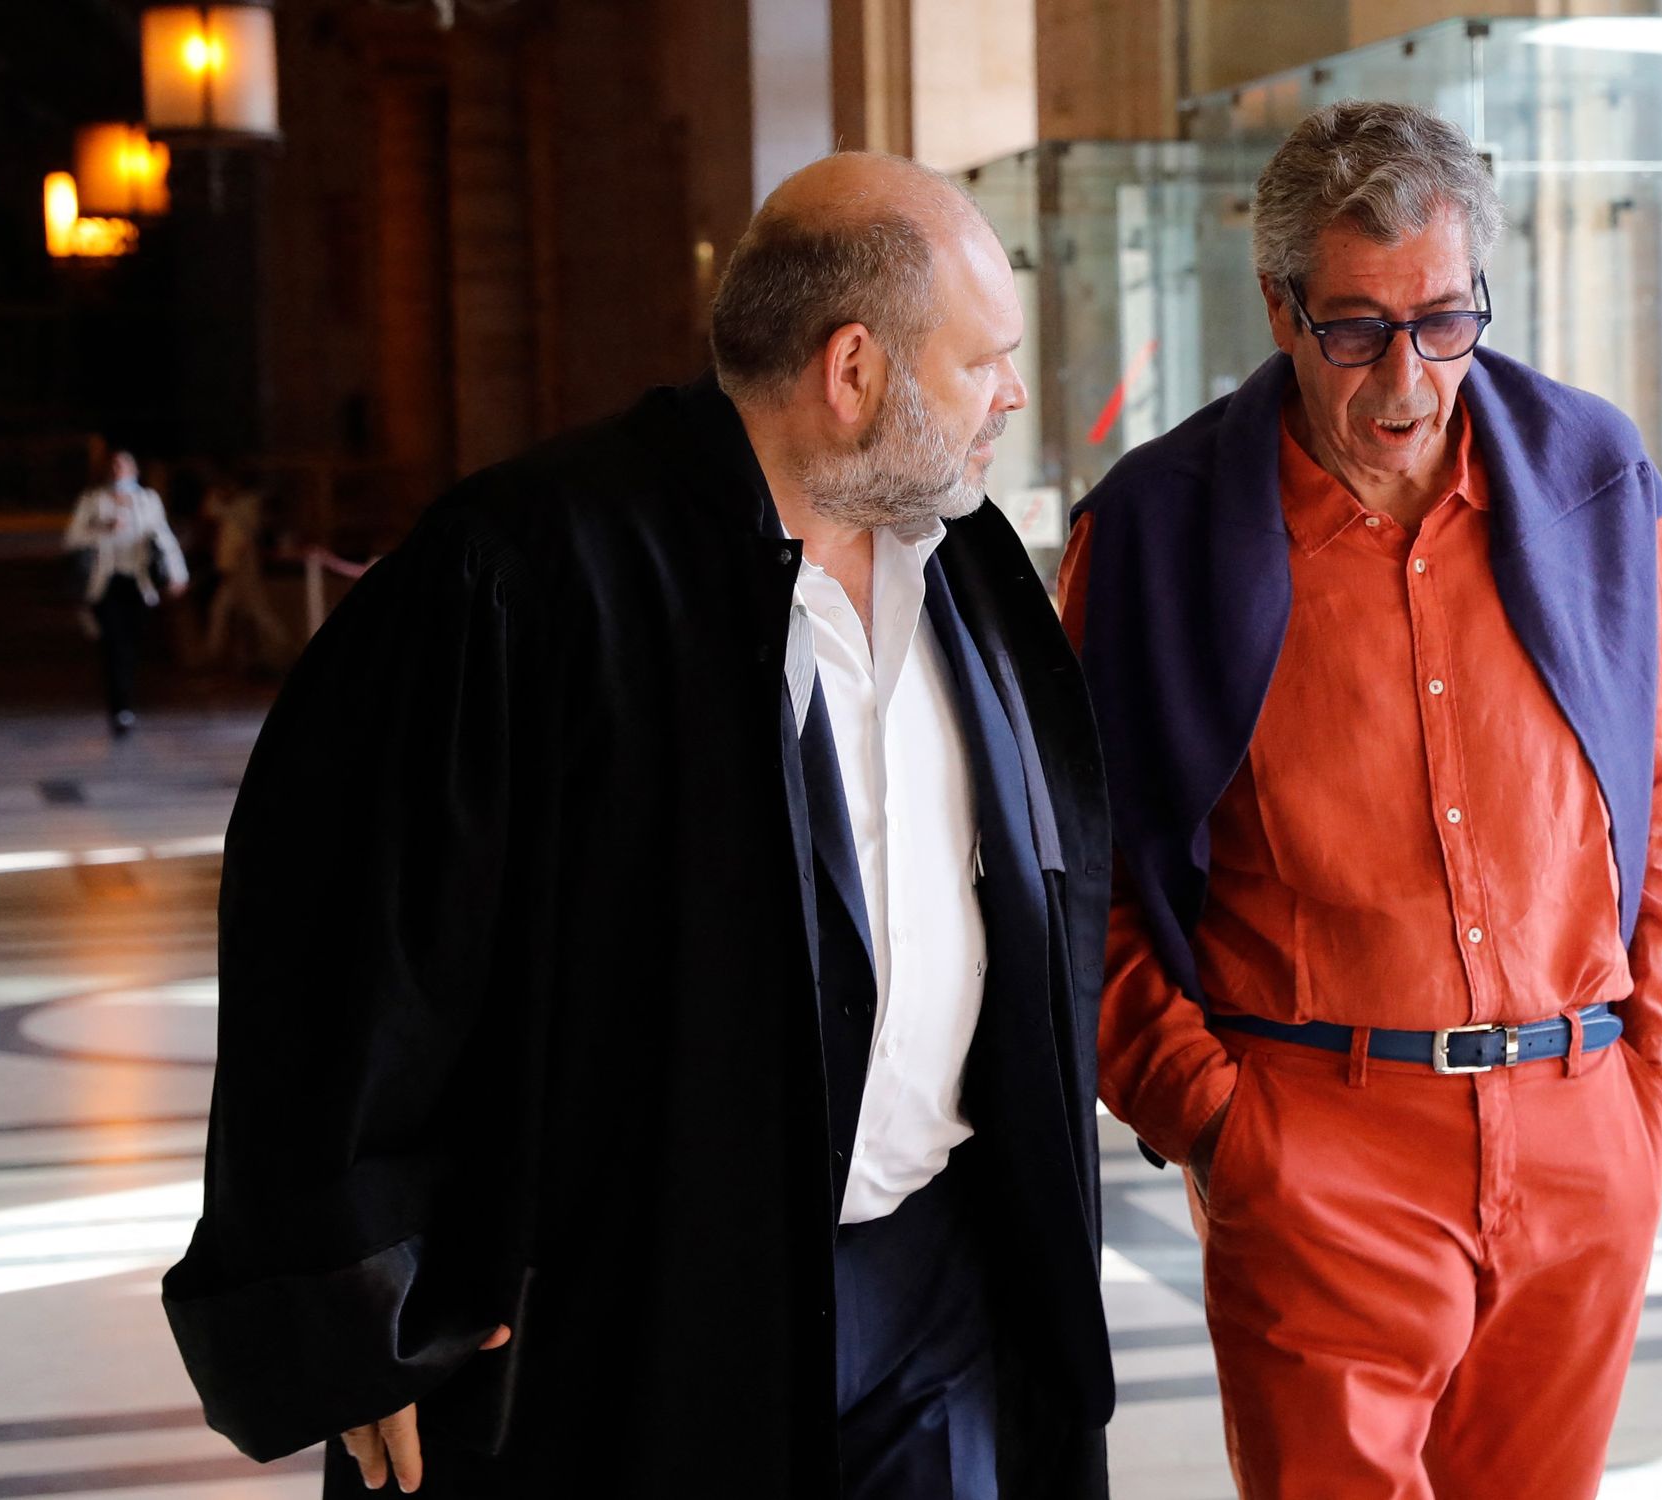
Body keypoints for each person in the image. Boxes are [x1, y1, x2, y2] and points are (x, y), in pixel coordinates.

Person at [164, 153, 1115, 1499]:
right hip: (641, 1320)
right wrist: (357, 1307)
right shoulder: (525, 572)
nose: (1012, 394)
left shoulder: (965, 567)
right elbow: (342, 946)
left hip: (936, 1291)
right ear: (853, 371)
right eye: (984, 361)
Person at [1060, 101, 1662, 1498]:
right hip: (1315, 1150)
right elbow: (1081, 875)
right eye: (1358, 331)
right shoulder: (1156, 533)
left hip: (1580, 1132)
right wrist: (1221, 1127)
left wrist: (1647, 1089)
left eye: (1445, 322)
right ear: (1281, 308)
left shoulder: (1597, 481)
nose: (1409, 381)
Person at [63, 448, 188, 734]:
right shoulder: (93, 500)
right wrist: (102, 527)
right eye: (113, 466)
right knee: (113, 643)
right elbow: (72, 538)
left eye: (123, 466)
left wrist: (177, 574)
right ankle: (120, 707)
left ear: (134, 471)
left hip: (138, 583)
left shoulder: (147, 500)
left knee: (131, 644)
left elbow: (163, 537)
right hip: (105, 584)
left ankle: (127, 700)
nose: (117, 471)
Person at [197, 471, 294, 671]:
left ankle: (286, 649)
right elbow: (210, 512)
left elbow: (237, 531)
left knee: (258, 612)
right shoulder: (234, 506)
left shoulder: (246, 504)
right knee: (220, 610)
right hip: (232, 568)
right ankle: (212, 655)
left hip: (243, 567)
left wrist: (217, 495)